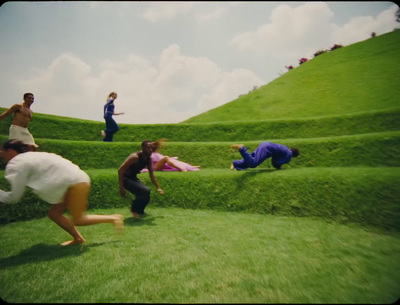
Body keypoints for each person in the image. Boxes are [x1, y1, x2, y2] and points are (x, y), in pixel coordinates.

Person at [0, 140, 124, 246]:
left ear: (11, 151)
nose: (1, 154)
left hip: (73, 183)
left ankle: (114, 218)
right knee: (54, 214)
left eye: (2, 151)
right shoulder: (32, 156)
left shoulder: (16, 163)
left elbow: (14, 197)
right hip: (73, 181)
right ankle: (78, 238)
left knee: (79, 219)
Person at [118, 140, 164, 219]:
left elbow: (151, 175)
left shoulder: (148, 160)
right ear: (142, 148)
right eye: (148, 148)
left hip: (133, 178)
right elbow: (120, 170)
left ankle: (140, 211)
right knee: (144, 190)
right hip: (125, 178)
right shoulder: (134, 157)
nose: (150, 150)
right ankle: (133, 210)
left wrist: (158, 187)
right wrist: (121, 188)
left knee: (147, 193)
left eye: (151, 148)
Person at [230, 142, 300, 170]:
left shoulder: (285, 148)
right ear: (294, 156)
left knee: (252, 158)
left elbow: (275, 157)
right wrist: (279, 168)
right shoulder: (289, 156)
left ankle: (235, 163)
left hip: (265, 145)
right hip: (267, 150)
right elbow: (276, 163)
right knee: (253, 163)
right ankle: (242, 148)